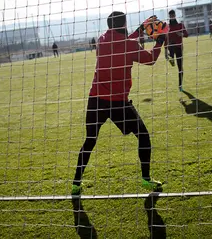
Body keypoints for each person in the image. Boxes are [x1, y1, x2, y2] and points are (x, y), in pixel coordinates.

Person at [71, 11, 166, 195]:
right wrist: (160, 41)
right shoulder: (129, 45)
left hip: (95, 100)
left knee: (89, 141)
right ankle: (146, 179)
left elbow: (120, 45)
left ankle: (76, 183)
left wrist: (139, 32)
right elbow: (150, 59)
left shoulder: (101, 40)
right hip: (118, 104)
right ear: (123, 25)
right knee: (144, 136)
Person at [165, 9, 188, 92]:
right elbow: (166, 39)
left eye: (173, 15)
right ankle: (171, 58)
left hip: (179, 48)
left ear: (175, 15)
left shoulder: (180, 25)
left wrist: (180, 34)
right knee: (171, 47)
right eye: (170, 16)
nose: (172, 17)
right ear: (169, 16)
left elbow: (186, 34)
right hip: (171, 46)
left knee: (180, 67)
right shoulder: (167, 27)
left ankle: (180, 85)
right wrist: (165, 51)